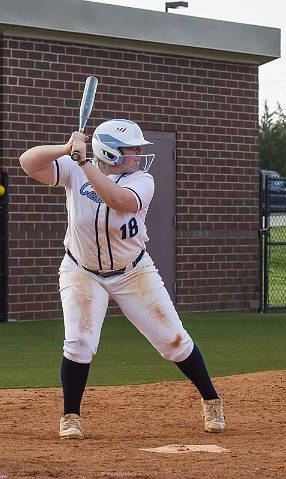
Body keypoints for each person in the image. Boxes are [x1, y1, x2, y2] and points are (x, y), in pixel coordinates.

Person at [19, 119, 225, 440]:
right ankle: (70, 415)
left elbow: (119, 201)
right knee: (79, 342)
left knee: (173, 340)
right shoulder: (74, 168)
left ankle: (211, 399)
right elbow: (28, 163)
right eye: (131, 150)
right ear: (110, 152)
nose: (139, 155)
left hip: (133, 271)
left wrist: (85, 162)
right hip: (81, 270)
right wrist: (66, 148)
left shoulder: (142, 180)